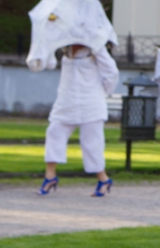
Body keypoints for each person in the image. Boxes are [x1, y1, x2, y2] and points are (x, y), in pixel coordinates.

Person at [39, 44, 119, 197]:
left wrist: (102, 91)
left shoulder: (96, 49)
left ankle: (103, 179)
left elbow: (111, 72)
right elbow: (48, 63)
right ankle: (50, 176)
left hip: (91, 101)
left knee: (92, 142)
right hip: (66, 100)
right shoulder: (65, 49)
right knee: (54, 132)